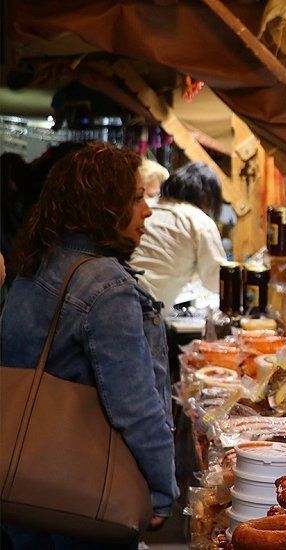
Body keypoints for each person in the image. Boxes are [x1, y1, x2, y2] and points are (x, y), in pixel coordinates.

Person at [1, 143, 176, 549]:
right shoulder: (105, 285)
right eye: (135, 198)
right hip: (85, 497)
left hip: (24, 483)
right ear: (103, 207)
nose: (147, 211)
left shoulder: (35, 265)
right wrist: (162, 489)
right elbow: (134, 404)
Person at [130, 162, 227, 316]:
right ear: (207, 197)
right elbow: (216, 280)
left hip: (118, 295)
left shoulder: (146, 207)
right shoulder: (199, 221)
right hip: (147, 310)